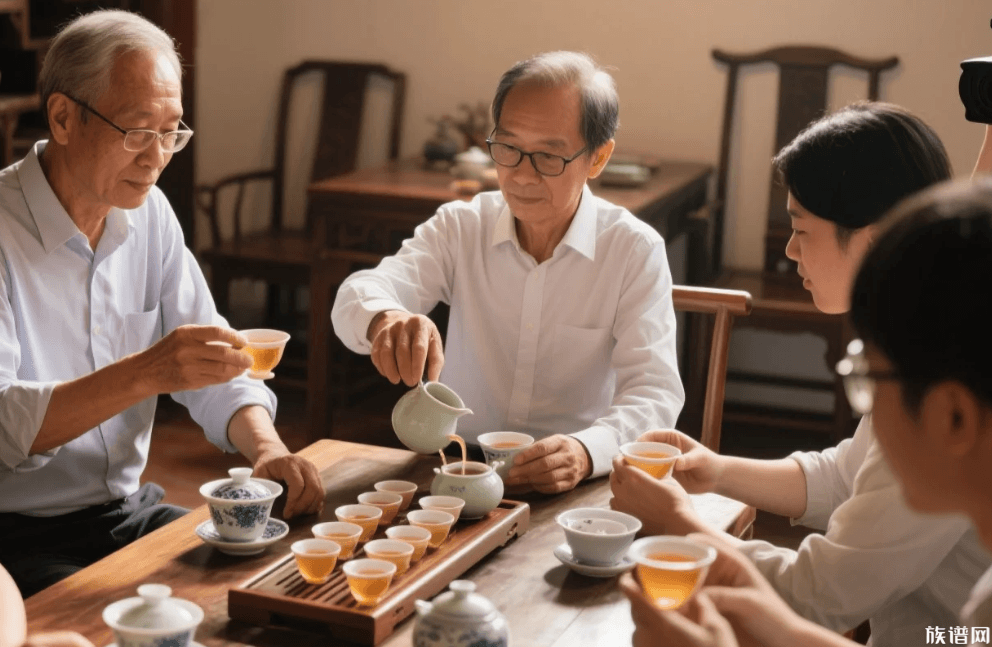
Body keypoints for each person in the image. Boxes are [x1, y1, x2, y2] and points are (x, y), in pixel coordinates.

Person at [610, 102, 991, 646]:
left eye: (800, 228)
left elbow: (822, 595)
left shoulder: (928, 381)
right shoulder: (933, 342)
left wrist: (680, 525)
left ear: (874, 237)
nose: (789, 250)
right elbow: (852, 476)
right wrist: (717, 470)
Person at [0, 10, 324, 597]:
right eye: (136, 130)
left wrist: (268, 449)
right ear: (64, 117)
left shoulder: (147, 212)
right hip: (15, 535)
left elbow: (212, 356)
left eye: (171, 131)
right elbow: (3, 423)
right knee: (117, 626)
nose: (156, 157)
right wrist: (147, 372)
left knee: (270, 579)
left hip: (125, 511)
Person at [332, 51, 684, 493]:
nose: (521, 176)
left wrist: (585, 450)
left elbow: (654, 392)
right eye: (508, 148)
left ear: (597, 158)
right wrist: (385, 318)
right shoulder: (462, 227)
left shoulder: (632, 250)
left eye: (548, 156)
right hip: (460, 469)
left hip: (574, 478)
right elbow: (358, 293)